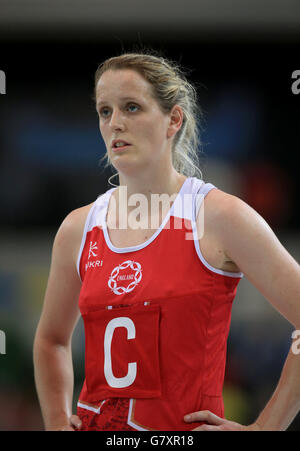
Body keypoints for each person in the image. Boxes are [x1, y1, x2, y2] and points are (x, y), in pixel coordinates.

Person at [33, 52, 300, 431]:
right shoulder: (78, 228)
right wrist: (57, 420)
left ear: (173, 119)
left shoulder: (219, 216)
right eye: (104, 111)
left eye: (131, 107)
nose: (115, 124)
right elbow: (51, 340)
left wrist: (267, 426)